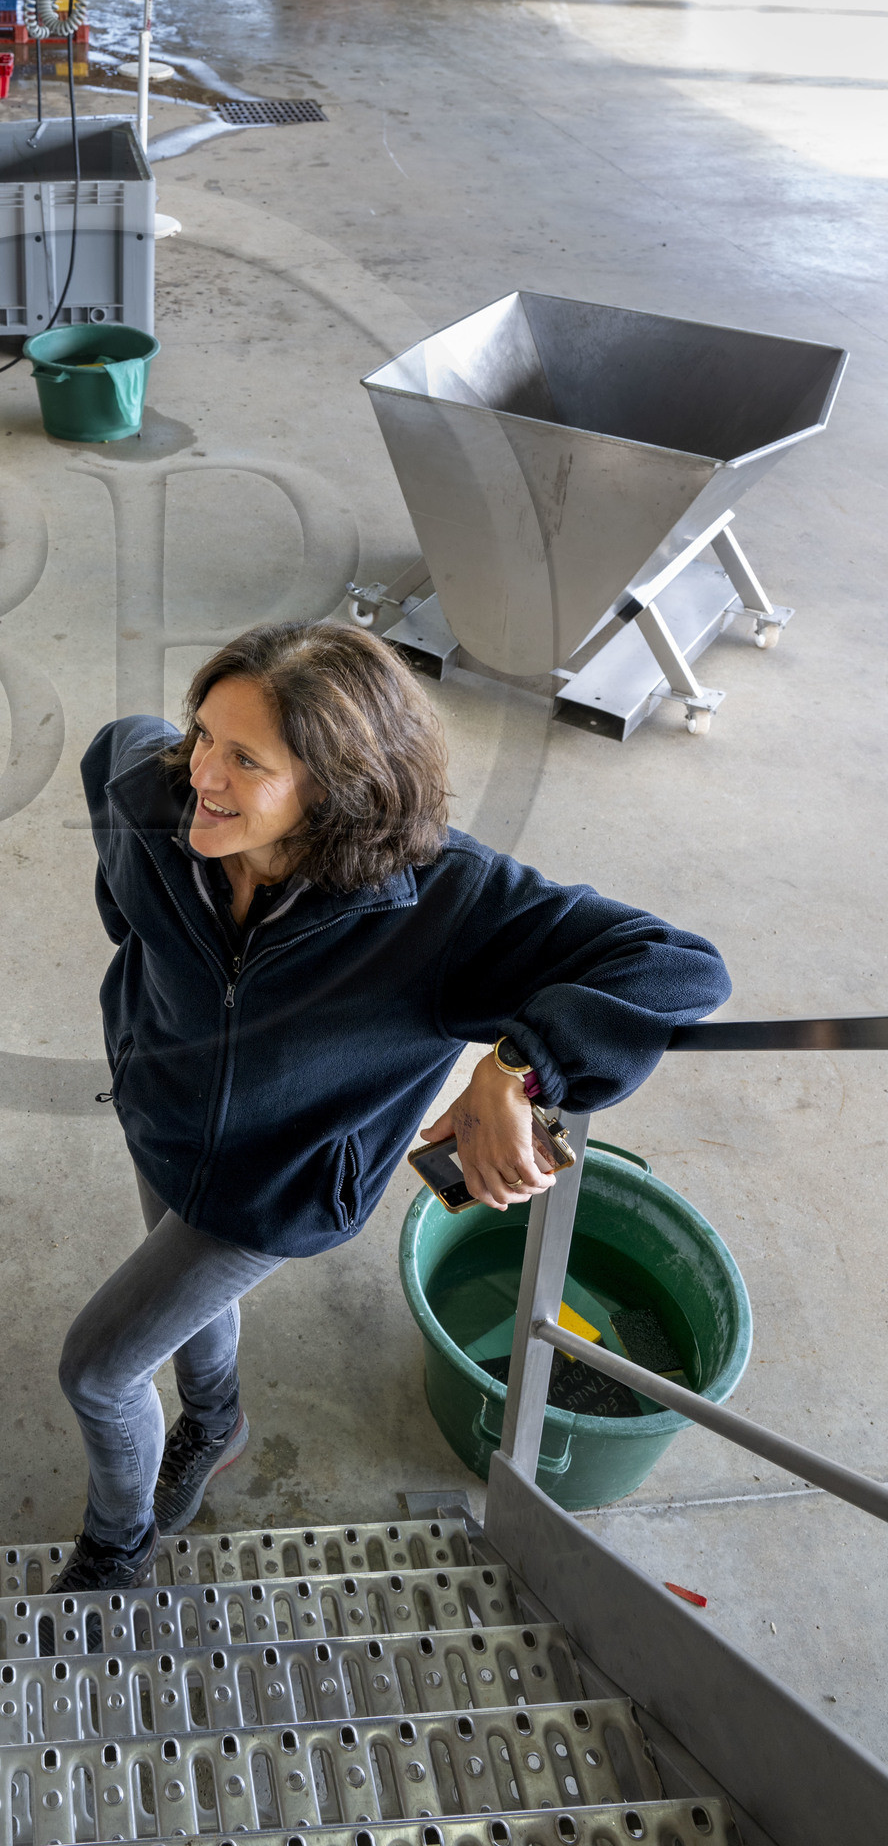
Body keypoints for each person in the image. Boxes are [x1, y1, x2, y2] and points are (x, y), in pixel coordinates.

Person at [56, 620, 729, 1592]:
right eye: (204, 732)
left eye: (245, 759)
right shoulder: (151, 791)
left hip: (279, 1186)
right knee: (177, 1297)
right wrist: (124, 913)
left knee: (98, 1368)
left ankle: (117, 1545)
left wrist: (518, 1065)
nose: (199, 773)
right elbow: (113, 747)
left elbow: (675, 965)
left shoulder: (441, 906)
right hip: (156, 1113)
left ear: (329, 788)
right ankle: (214, 1423)